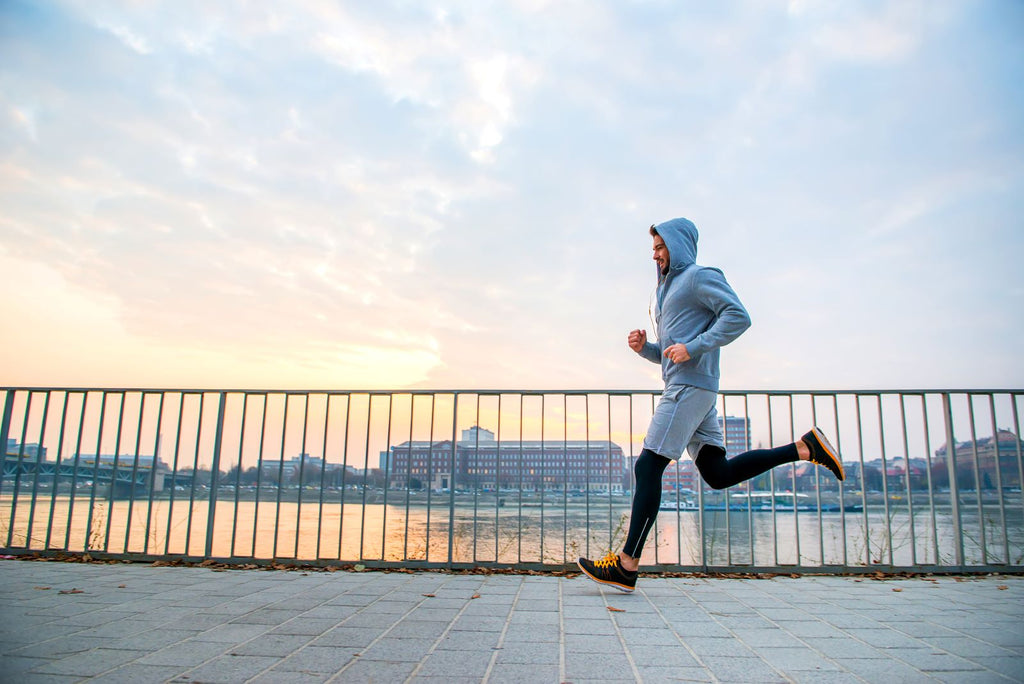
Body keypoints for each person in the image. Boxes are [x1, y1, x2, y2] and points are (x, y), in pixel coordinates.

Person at [577, 217, 843, 593]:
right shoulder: (665, 292)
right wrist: (645, 350)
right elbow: (673, 355)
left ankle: (626, 565)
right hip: (690, 386)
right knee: (718, 474)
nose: (654, 256)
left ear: (677, 244)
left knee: (648, 465)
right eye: (652, 249)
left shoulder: (700, 276)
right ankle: (804, 447)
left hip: (689, 389)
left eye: (659, 247)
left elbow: (739, 316)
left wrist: (695, 346)